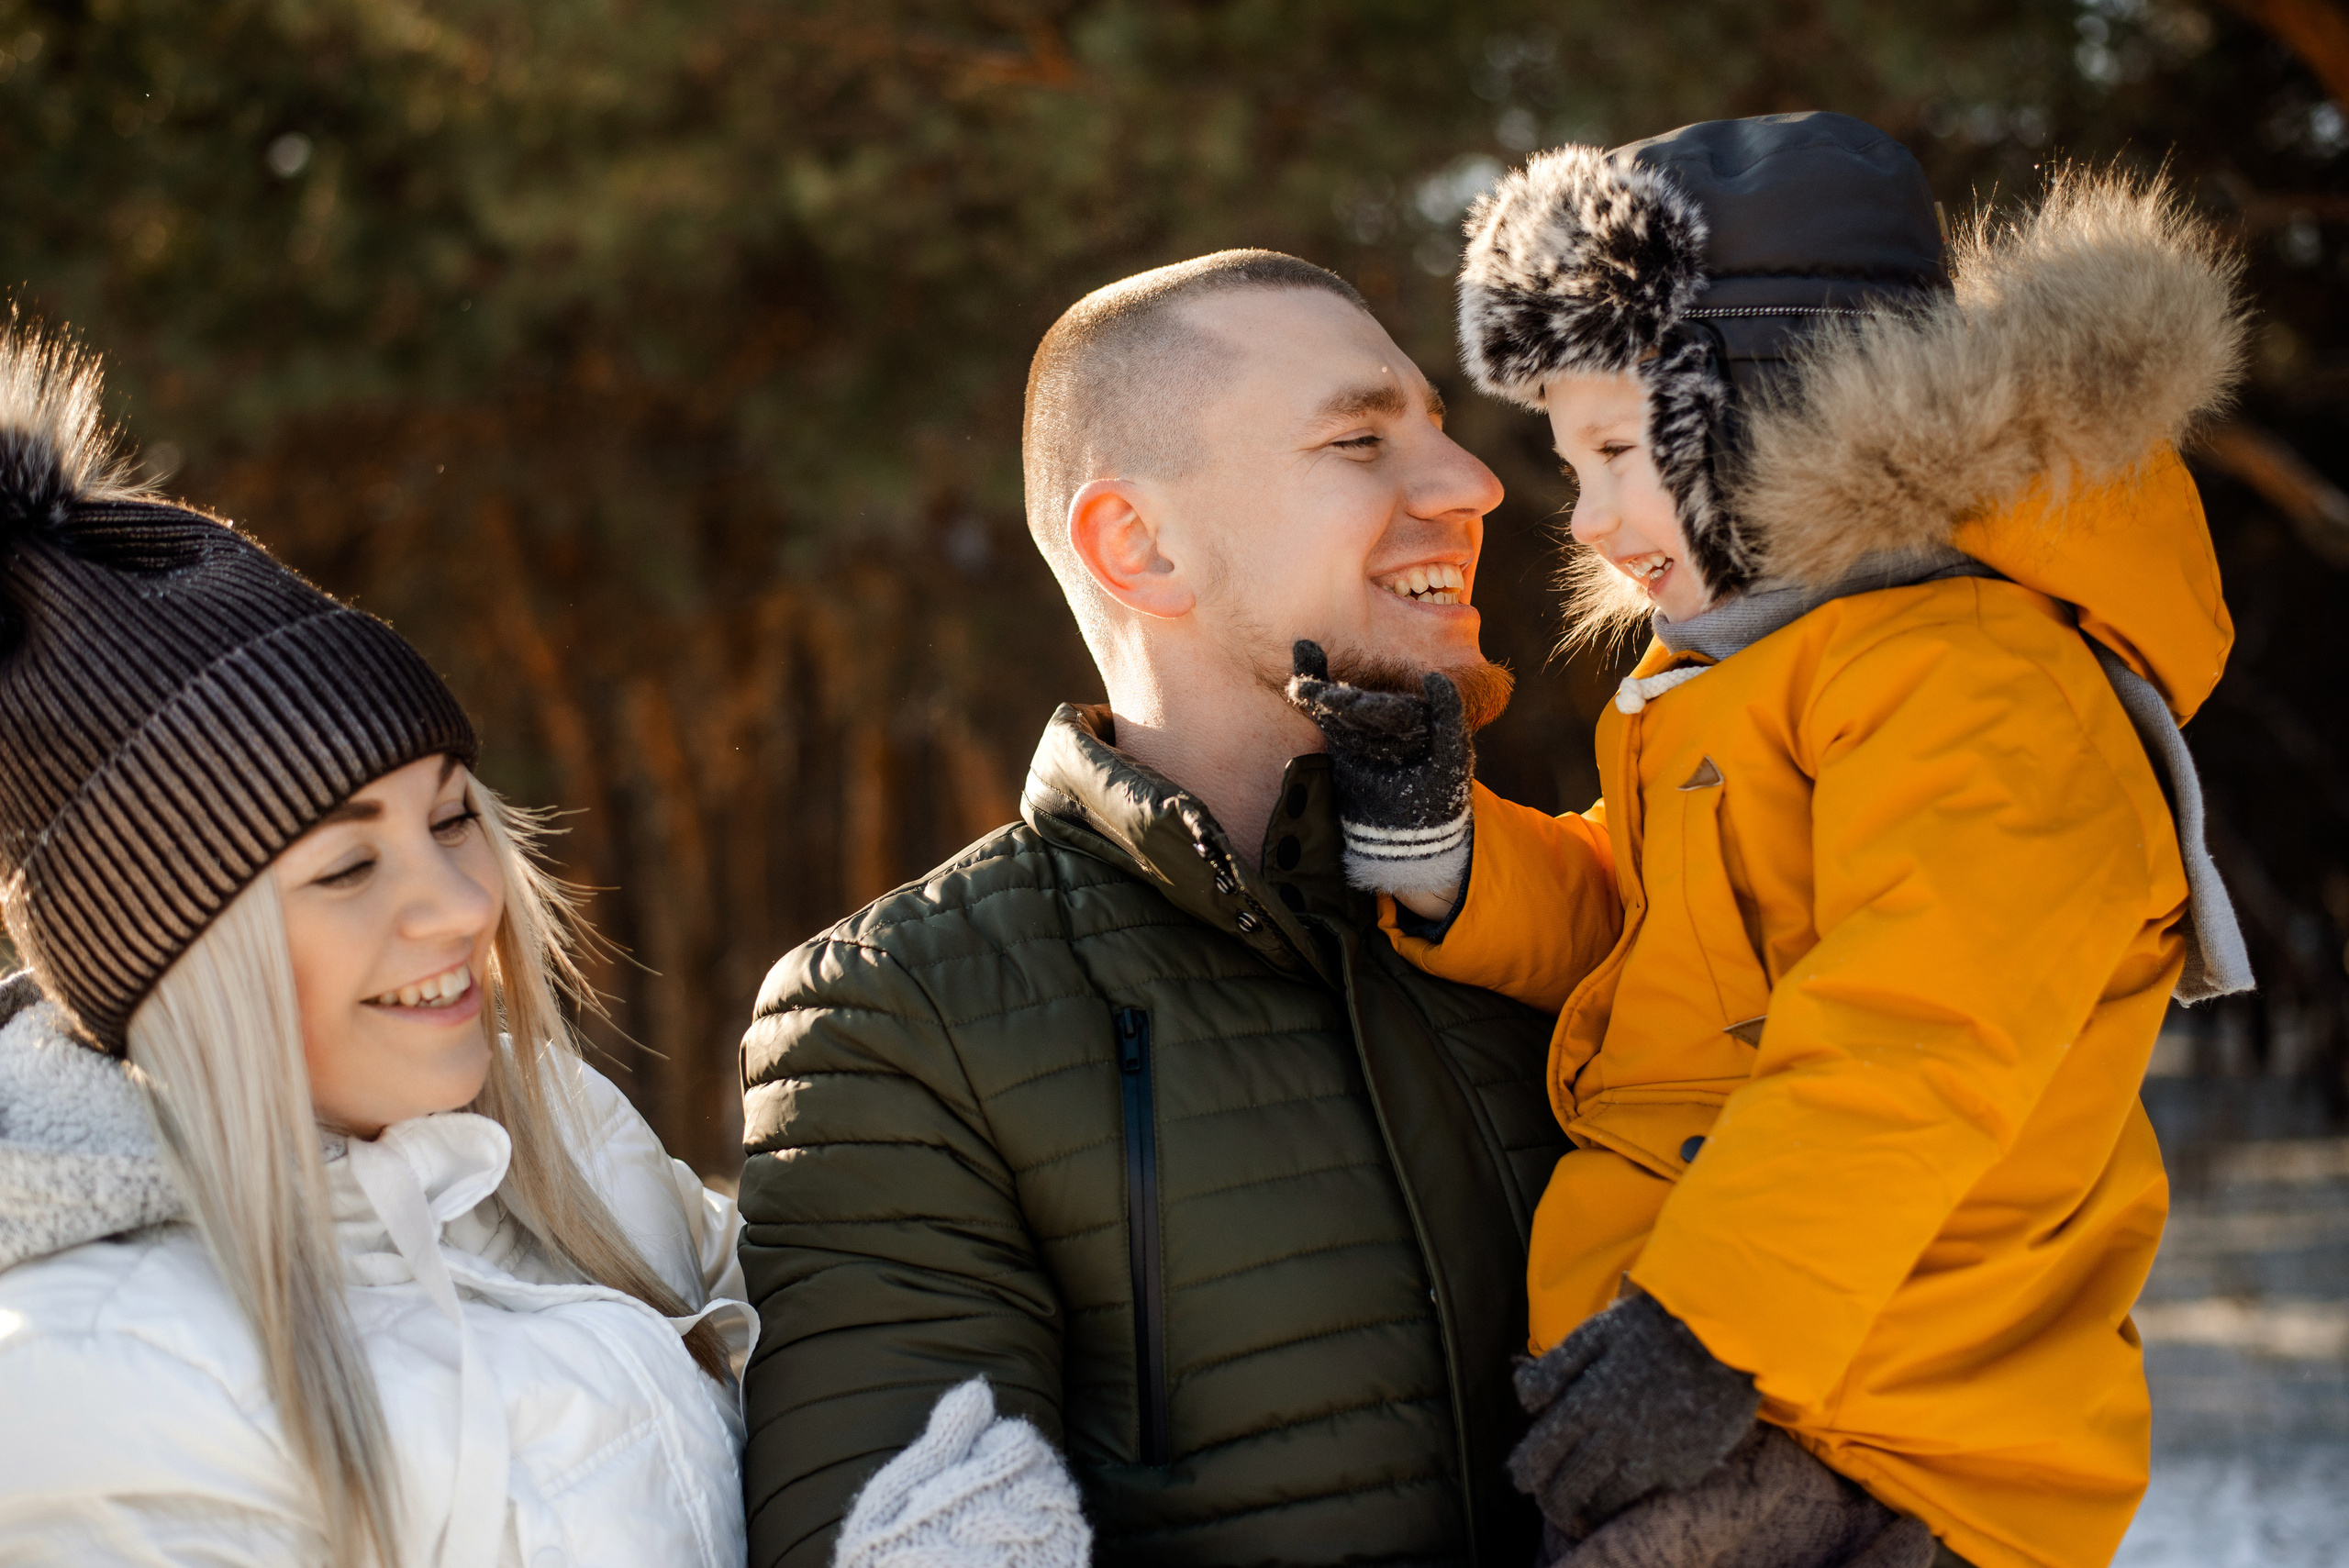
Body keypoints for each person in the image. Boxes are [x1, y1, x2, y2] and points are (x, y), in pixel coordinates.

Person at [1287, 113, 2251, 1568]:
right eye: (1571, 462)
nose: (1596, 517)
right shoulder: (1757, 677)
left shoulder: (1982, 680)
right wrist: (1445, 852)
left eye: (1619, 448)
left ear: (1777, 404)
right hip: (1758, 1382)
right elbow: (1643, 919)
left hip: (1892, 1428)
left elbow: (1916, 1039)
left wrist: (1710, 1325)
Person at [736, 250, 1620, 1567]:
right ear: (1137, 544)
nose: (1473, 484)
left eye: (1438, 430)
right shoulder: (900, 1019)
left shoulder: (1600, 906)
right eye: (1360, 438)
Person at [0, 324, 753, 1566]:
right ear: (177, 962)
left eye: (454, 816)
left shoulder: (565, 1148)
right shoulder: (84, 1382)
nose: (459, 904)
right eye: (348, 866)